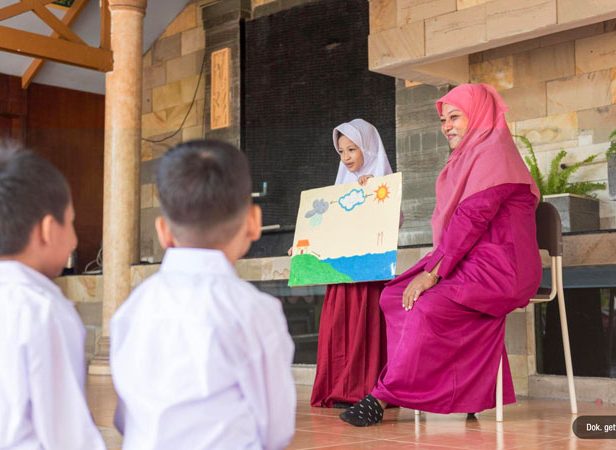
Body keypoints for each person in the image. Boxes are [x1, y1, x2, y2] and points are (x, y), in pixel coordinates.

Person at [339, 83, 542, 426]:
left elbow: (471, 219)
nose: (446, 126)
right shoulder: (468, 156)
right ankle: (464, 394)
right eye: (443, 120)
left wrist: (432, 273)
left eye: (455, 117)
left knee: (426, 304)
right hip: (473, 259)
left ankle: (383, 397)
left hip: (504, 267)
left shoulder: (495, 154)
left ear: (478, 115)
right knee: (393, 296)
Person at [111, 140, 296, 449]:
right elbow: (276, 428)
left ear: (163, 231)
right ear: (253, 223)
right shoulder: (254, 310)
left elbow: (124, 417)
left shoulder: (135, 306)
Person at [0, 142, 105, 449]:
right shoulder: (42, 310)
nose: (74, 241)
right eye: (70, 222)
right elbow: (69, 436)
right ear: (47, 229)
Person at [310, 118, 394, 408]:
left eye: (352, 149)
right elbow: (328, 227)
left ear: (368, 149)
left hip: (369, 276)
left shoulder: (382, 182)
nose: (346, 157)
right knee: (338, 328)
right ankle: (338, 387)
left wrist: (371, 193)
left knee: (364, 328)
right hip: (342, 273)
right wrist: (306, 243)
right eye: (341, 151)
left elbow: (392, 220)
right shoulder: (340, 187)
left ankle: (366, 389)